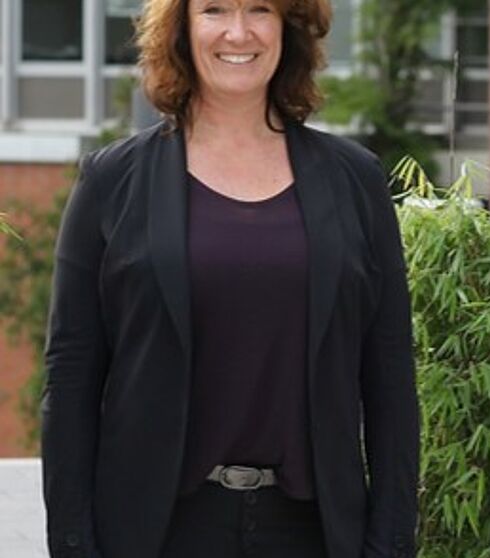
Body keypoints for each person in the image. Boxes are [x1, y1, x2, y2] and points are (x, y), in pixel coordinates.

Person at [41, 1, 419, 557]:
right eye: (214, 9)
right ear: (182, 28)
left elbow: (389, 382)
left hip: (314, 533)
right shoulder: (111, 182)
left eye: (259, 9)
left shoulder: (355, 181)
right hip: (156, 532)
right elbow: (70, 381)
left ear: (286, 27)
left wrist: (389, 544)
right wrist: (74, 547)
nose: (237, 32)